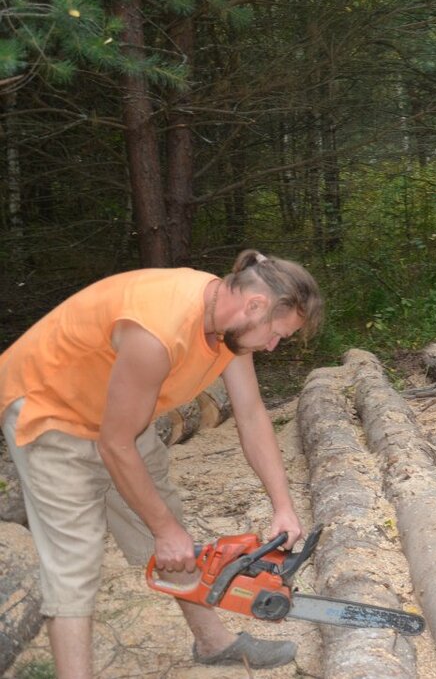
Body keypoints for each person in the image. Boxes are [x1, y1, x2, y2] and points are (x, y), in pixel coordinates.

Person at [0, 250, 323, 677]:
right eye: (277, 334)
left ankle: (212, 642)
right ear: (255, 305)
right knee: (74, 560)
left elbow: (250, 413)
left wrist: (282, 506)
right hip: (49, 408)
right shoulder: (158, 331)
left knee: (167, 520)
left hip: (116, 410)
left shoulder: (230, 326)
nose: (272, 345)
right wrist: (164, 530)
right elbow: (116, 445)